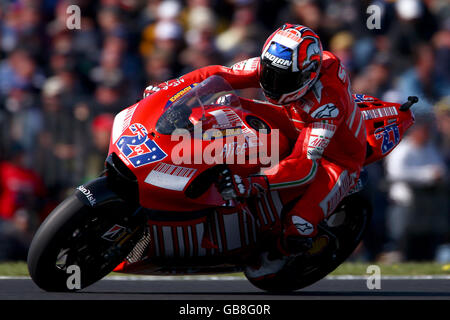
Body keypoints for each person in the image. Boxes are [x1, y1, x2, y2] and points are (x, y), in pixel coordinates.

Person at [143, 24, 367, 279]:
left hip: (336, 158)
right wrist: (170, 89)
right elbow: (218, 74)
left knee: (299, 227)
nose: (272, 83)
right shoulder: (274, 63)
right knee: (222, 104)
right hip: (291, 117)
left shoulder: (328, 103)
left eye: (284, 80)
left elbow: (305, 162)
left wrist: (255, 183)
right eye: (270, 73)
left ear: (309, 75)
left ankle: (279, 250)